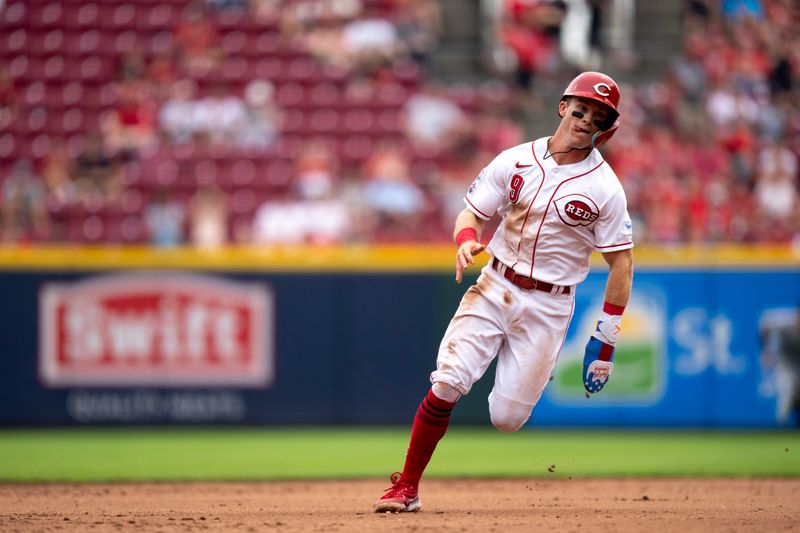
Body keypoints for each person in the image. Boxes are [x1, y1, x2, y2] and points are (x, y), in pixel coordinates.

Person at [373, 71, 634, 513]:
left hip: (551, 304)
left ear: (606, 128)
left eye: (598, 116)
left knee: (507, 419)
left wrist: (605, 339)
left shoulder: (605, 189)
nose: (586, 119)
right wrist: (464, 243)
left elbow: (621, 263)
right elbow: (469, 215)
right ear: (562, 106)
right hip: (495, 283)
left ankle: (532, 366)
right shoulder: (515, 160)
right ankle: (407, 487)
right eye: (581, 108)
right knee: (449, 380)